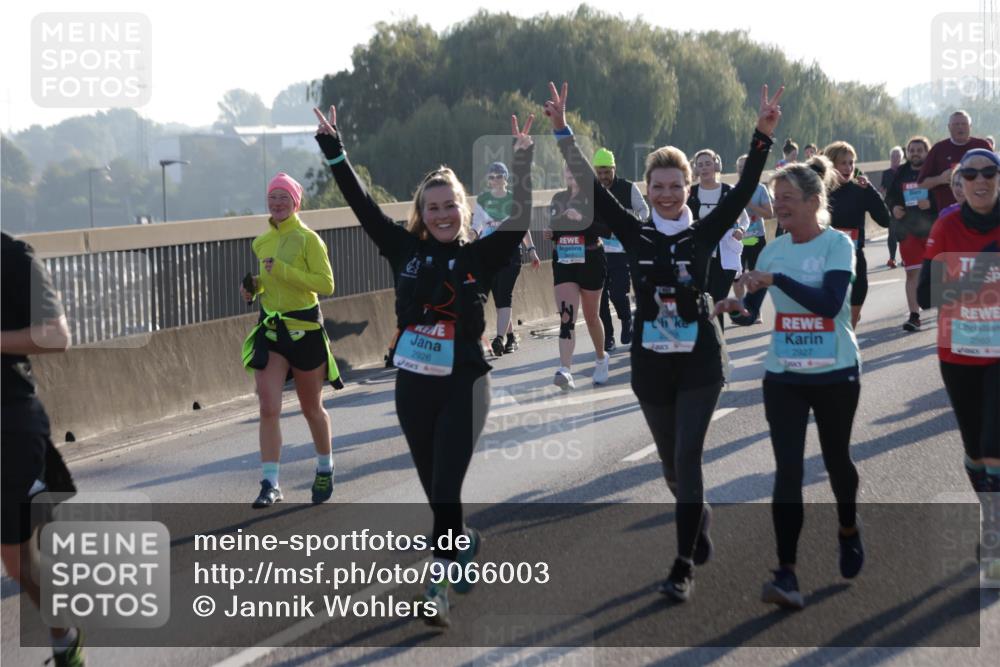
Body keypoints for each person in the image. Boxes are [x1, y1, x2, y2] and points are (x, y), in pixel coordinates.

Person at [546, 80, 784, 601]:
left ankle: (680, 566)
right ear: (648, 190)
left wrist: (762, 134)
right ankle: (696, 513)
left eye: (677, 186)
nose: (669, 194)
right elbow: (591, 186)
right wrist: (563, 130)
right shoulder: (635, 233)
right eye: (660, 186)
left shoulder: (704, 228)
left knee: (689, 458)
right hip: (651, 362)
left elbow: (744, 189)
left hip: (700, 357)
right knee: (671, 466)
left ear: (687, 190)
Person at [314, 105, 536, 627]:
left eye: (449, 207)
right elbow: (363, 207)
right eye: (431, 207)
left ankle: (433, 587)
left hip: (466, 381)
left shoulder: (479, 255)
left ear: (463, 209)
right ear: (421, 212)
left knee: (445, 489)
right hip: (413, 385)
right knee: (437, 491)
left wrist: (522, 163)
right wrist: (334, 151)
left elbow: (522, 218)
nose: (441, 215)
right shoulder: (402, 249)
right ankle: (463, 542)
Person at [716, 156, 864, 609]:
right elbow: (754, 313)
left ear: (814, 202)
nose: (778, 206)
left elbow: (828, 304)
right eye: (775, 199)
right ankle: (787, 573)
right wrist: (734, 305)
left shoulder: (837, 245)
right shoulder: (773, 250)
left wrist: (778, 279)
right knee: (789, 471)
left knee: (837, 461)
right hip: (784, 374)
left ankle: (847, 526)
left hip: (836, 371)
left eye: (787, 199)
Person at [1, 232, 85, 666]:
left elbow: (57, 335)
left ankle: (64, 638)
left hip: (8, 421)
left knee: (19, 564)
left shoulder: (13, 258)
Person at [917, 148, 1000, 585]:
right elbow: (930, 293)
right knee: (973, 450)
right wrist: (985, 269)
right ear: (961, 182)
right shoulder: (948, 224)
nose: (980, 180)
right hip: (958, 352)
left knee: (993, 442)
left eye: (989, 172)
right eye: (971, 174)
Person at [240, 173, 343, 508]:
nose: (278, 203)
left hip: (306, 331)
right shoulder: (261, 241)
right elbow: (269, 283)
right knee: (268, 407)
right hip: (272, 331)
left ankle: (325, 467)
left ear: (296, 202)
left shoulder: (308, 239)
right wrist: (254, 288)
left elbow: (326, 284)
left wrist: (284, 271)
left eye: (284, 197)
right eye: (273, 197)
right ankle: (270, 482)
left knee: (311, 408)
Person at [546, 162, 611, 389]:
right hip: (565, 260)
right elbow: (555, 226)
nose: (572, 174)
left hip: (591, 259)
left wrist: (581, 220)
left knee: (592, 316)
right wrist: (551, 232)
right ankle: (565, 370)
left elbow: (607, 230)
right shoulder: (558, 198)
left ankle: (601, 358)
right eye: (568, 170)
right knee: (566, 316)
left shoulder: (596, 197)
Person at [472, 161, 541, 356]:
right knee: (498, 297)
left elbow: (523, 228)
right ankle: (510, 337)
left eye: (499, 176)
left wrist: (532, 250)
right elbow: (476, 225)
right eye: (491, 177)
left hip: (510, 252)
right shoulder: (482, 200)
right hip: (487, 253)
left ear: (506, 179)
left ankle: (499, 339)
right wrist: (470, 239)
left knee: (505, 294)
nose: (495, 180)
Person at [824, 141, 892, 328]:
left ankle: (851, 327)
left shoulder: (860, 190)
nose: (848, 168)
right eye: (843, 163)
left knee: (853, 312)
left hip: (855, 256)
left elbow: (886, 220)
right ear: (831, 165)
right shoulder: (820, 191)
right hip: (826, 257)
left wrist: (871, 191)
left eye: (851, 163)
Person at [688, 148, 751, 331]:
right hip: (700, 253)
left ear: (716, 164)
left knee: (718, 298)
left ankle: (717, 345)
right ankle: (711, 343)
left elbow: (744, 218)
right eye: (700, 165)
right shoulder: (690, 193)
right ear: (696, 169)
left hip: (726, 252)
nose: (705, 168)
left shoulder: (728, 191)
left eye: (708, 163)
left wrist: (740, 229)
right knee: (703, 299)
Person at [594, 147, 649, 351]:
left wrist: (633, 219)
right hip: (597, 251)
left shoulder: (628, 187)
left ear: (614, 169)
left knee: (618, 293)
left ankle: (626, 320)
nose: (603, 177)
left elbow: (644, 210)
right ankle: (608, 337)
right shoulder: (592, 191)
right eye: (599, 173)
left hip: (621, 251)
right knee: (600, 299)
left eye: (607, 172)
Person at [885, 136, 937, 331]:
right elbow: (889, 196)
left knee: (938, 274)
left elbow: (946, 195)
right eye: (912, 150)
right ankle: (914, 316)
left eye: (919, 150)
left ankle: (944, 313)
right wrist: (894, 207)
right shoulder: (902, 173)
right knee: (912, 273)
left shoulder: (933, 172)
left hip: (932, 230)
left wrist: (932, 204)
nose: (915, 153)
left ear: (927, 152)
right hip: (908, 231)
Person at [918, 110, 992, 211]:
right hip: (949, 212)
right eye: (956, 124)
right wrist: (940, 179)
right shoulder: (938, 149)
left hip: (980, 210)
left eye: (964, 124)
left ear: (970, 126)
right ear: (949, 127)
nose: (960, 127)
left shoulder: (982, 146)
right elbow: (921, 184)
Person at [732, 154, 774, 314]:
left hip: (756, 238)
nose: (743, 170)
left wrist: (749, 204)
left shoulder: (760, 189)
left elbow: (769, 214)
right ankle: (742, 305)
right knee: (737, 277)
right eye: (740, 168)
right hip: (739, 240)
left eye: (746, 167)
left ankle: (755, 309)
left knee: (757, 277)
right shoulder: (733, 190)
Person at [880, 146, 904, 268]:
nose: (895, 158)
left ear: (901, 158)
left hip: (904, 206)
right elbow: (883, 188)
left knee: (905, 233)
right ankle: (892, 258)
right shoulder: (886, 173)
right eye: (893, 156)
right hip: (891, 207)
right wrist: (882, 192)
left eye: (897, 156)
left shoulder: (905, 171)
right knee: (892, 233)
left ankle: (905, 258)